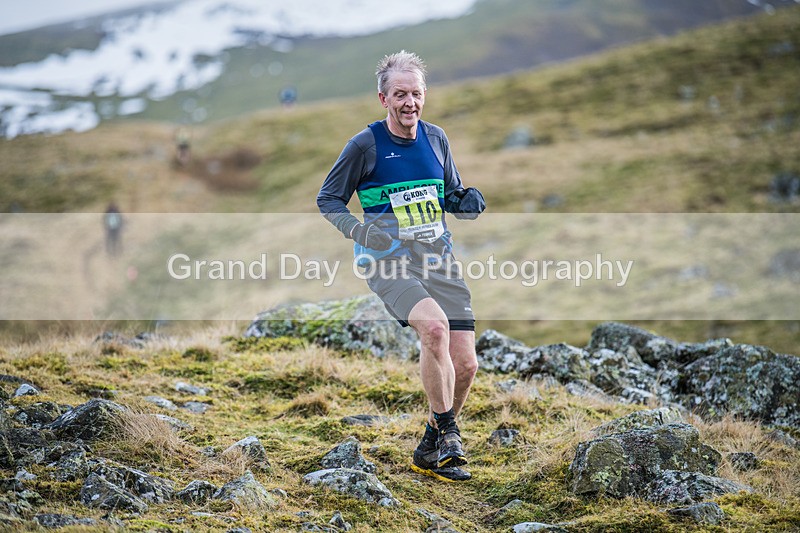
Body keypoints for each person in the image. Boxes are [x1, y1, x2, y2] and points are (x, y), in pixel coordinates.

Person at [317, 50, 486, 482]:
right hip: (388, 260)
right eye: (400, 95)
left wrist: (464, 202)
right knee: (433, 330)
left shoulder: (436, 139)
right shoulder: (365, 145)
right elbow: (328, 199)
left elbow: (447, 194)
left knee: (465, 364)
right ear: (383, 99)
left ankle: (431, 443)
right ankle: (450, 435)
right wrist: (359, 232)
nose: (409, 102)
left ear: (423, 95)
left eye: (416, 93)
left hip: (438, 257)